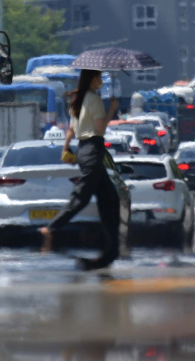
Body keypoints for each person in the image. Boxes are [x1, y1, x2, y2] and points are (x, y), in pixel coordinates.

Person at [39, 69, 122, 271]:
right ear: (93, 79)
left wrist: (66, 148)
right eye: (100, 77)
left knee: (110, 199)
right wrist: (112, 108)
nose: (102, 80)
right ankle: (50, 229)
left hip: (84, 150)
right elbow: (100, 129)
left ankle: (110, 253)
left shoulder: (78, 99)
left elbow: (71, 129)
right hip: (93, 149)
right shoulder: (93, 99)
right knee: (82, 196)